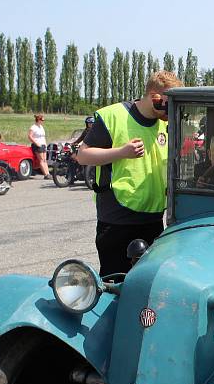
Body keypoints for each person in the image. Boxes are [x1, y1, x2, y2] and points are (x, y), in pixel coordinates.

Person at [78, 70, 183, 276]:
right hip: (117, 219)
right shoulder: (113, 116)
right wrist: (121, 152)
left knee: (150, 281)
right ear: (155, 97)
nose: (171, 110)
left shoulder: (165, 125)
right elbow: (83, 155)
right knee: (115, 280)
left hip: (153, 218)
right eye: (169, 103)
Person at [29, 114, 51, 179]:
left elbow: (43, 137)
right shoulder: (33, 127)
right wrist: (36, 143)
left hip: (43, 144)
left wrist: (45, 144)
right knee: (41, 160)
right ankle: (45, 174)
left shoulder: (41, 127)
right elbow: (30, 136)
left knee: (45, 159)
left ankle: (48, 173)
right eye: (42, 120)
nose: (43, 121)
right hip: (37, 145)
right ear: (38, 120)